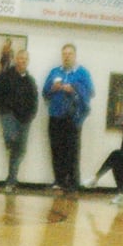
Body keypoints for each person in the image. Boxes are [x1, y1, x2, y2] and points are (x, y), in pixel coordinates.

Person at [42, 43, 93, 194]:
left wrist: (74, 89)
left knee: (72, 150)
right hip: (55, 116)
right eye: (64, 54)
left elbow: (91, 92)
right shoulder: (54, 72)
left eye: (70, 54)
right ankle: (59, 181)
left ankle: (72, 183)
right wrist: (53, 88)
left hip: (73, 118)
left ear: (75, 55)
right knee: (56, 149)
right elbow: (45, 93)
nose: (66, 56)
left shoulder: (82, 73)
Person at [0, 47, 37, 192]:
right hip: (9, 115)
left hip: (25, 120)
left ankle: (11, 182)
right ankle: (9, 143)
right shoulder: (6, 76)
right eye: (20, 58)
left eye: (25, 59)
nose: (22, 61)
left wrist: (31, 116)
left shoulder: (30, 80)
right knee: (12, 139)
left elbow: (34, 100)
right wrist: (4, 111)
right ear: (15, 59)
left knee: (20, 151)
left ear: (28, 61)